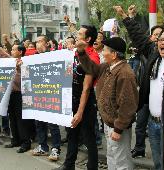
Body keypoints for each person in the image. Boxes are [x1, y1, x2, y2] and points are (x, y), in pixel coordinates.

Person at [114, 5, 164, 170]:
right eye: (161, 40)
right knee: (159, 163)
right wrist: (125, 17)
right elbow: (138, 36)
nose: (163, 43)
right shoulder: (154, 56)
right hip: (153, 125)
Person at [76, 36, 139, 169]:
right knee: (111, 156)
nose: (102, 52)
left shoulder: (125, 73)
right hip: (108, 122)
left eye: (105, 50)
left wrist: (118, 128)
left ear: (114, 54)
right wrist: (82, 52)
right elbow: (91, 69)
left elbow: (128, 105)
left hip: (117, 126)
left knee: (122, 162)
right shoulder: (108, 67)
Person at [55, 25, 100, 170]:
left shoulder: (93, 57)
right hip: (71, 99)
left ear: (88, 39)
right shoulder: (73, 53)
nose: (76, 36)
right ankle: (68, 165)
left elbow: (86, 88)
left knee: (89, 138)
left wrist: (80, 112)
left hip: (85, 102)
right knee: (72, 134)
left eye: (80, 34)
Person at [31, 35, 61, 161]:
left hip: (51, 94)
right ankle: (43, 146)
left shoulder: (55, 56)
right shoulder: (33, 58)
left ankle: (56, 148)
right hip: (38, 95)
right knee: (39, 122)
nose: (38, 44)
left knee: (52, 123)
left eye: (41, 41)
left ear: (47, 43)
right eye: (36, 42)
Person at [4, 44, 35, 153]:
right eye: (11, 49)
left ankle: (26, 142)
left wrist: (20, 68)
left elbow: (28, 78)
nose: (11, 51)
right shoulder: (11, 61)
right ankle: (15, 140)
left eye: (13, 49)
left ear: (20, 52)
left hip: (21, 94)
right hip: (10, 93)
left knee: (21, 120)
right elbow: (2, 53)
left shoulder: (26, 62)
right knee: (12, 118)